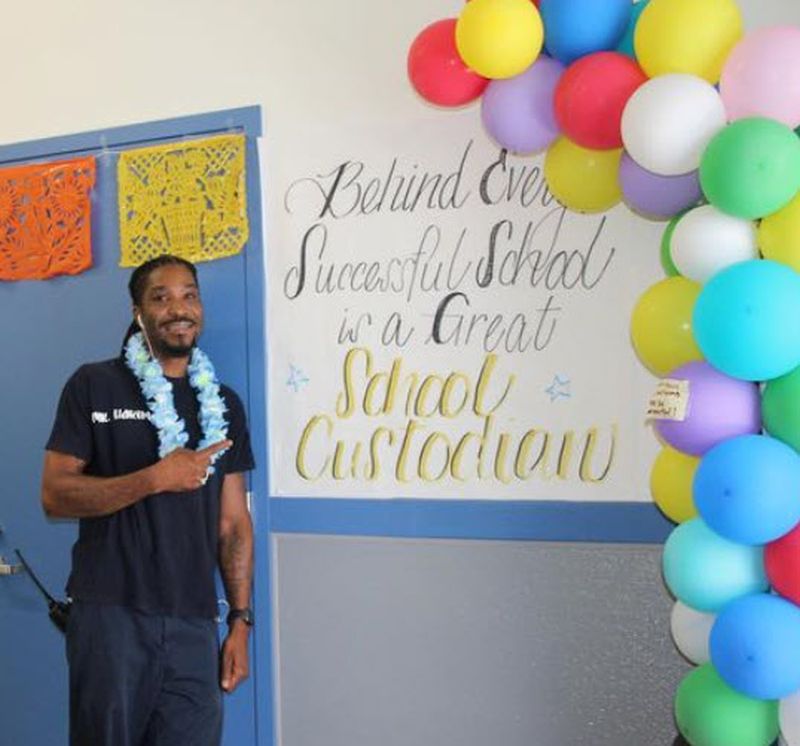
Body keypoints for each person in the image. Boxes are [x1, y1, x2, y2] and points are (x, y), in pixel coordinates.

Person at [41, 254, 255, 746]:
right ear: (139, 312)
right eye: (161, 297)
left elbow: (233, 524)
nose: (179, 308)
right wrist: (153, 478)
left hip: (194, 622)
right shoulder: (93, 385)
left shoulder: (224, 404)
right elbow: (55, 495)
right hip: (110, 615)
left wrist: (240, 622)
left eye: (189, 295)